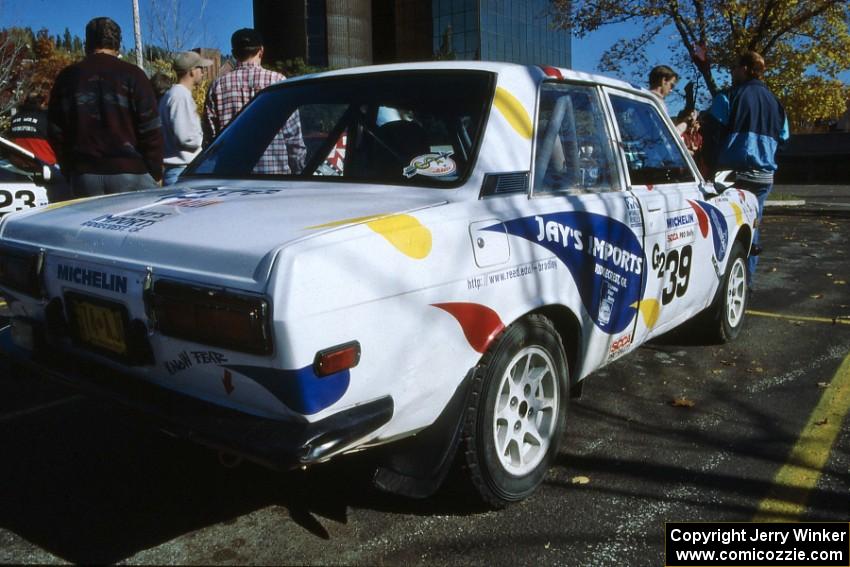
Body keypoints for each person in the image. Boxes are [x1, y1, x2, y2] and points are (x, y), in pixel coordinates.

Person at [47, 17, 163, 197]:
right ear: (118, 44)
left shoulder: (67, 78)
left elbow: (55, 130)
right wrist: (155, 170)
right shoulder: (134, 75)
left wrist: (70, 168)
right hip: (131, 173)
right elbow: (151, 128)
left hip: (84, 175)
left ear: (87, 43)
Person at [712, 51, 789, 287]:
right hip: (764, 177)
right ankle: (746, 284)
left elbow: (712, 129)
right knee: (752, 229)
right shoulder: (776, 103)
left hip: (733, 175)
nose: (731, 72)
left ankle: (720, 286)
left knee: (724, 230)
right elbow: (784, 136)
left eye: (734, 67)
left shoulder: (730, 96)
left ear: (745, 68)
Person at [203, 28, 305, 174]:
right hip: (273, 176)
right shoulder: (277, 81)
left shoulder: (217, 86)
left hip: (230, 175)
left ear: (233, 53)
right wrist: (299, 170)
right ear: (261, 51)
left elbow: (211, 140)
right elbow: (293, 136)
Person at [159, 51, 212, 185]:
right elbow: (184, 137)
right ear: (192, 71)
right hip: (182, 172)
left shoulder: (172, 94)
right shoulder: (180, 96)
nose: (203, 72)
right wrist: (202, 141)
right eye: (201, 68)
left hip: (178, 170)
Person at [9, 90, 56, 165]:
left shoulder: (15, 118)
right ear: (42, 103)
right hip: (43, 165)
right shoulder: (47, 118)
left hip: (17, 163)